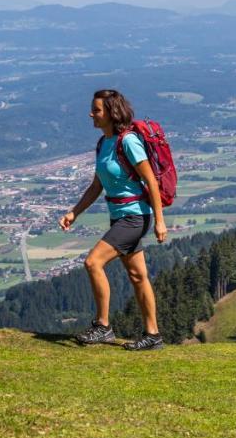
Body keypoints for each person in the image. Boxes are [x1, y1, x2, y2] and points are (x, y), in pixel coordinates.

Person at [58, 89, 168, 351]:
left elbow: (151, 181)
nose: (91, 114)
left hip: (134, 217)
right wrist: (74, 212)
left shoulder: (127, 142)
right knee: (137, 275)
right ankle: (153, 335)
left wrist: (160, 221)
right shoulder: (104, 143)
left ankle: (103, 326)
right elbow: (97, 185)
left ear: (111, 113)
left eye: (96, 110)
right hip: (119, 216)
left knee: (92, 262)